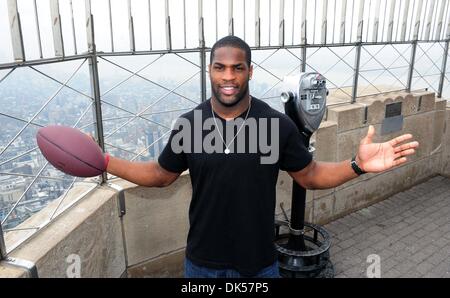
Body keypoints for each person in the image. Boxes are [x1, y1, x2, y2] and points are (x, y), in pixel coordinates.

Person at [105, 36, 419, 278]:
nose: (228, 77)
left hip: (258, 264)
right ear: (210, 70)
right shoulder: (189, 124)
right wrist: (104, 162)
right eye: (220, 67)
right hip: (202, 264)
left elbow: (309, 175)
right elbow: (161, 175)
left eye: (237, 68)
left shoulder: (276, 125)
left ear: (250, 71)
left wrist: (357, 165)